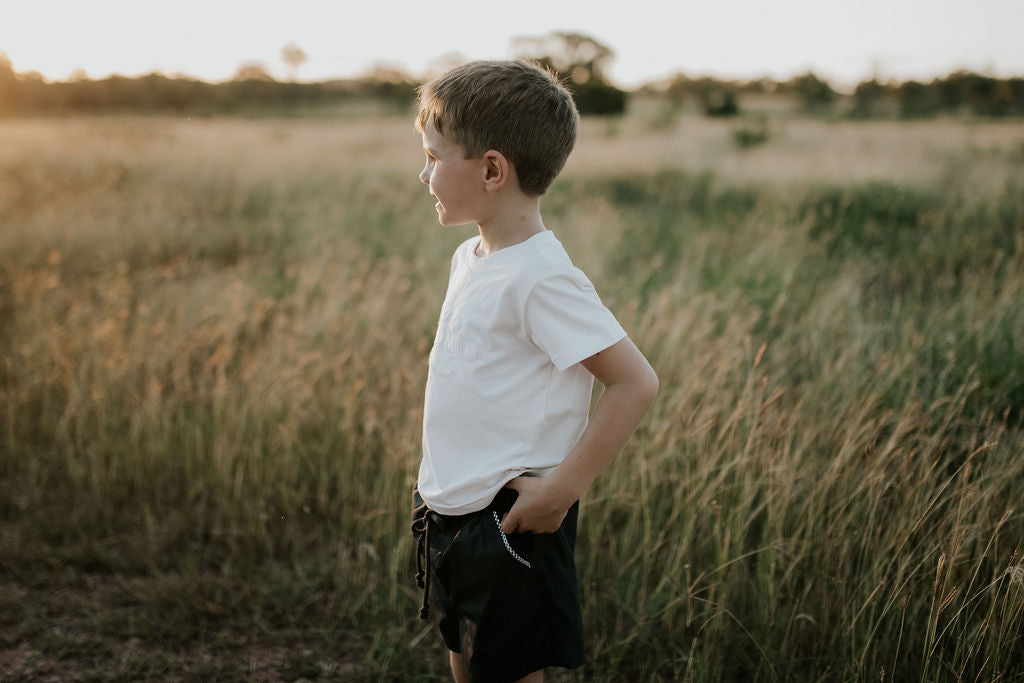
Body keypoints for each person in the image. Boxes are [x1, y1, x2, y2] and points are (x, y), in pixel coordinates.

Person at [410, 59, 659, 683]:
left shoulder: (542, 276)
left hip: (512, 518)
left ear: (493, 170)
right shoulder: (470, 256)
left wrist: (562, 489)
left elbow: (635, 382)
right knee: (465, 657)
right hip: (452, 508)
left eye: (436, 157)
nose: (424, 173)